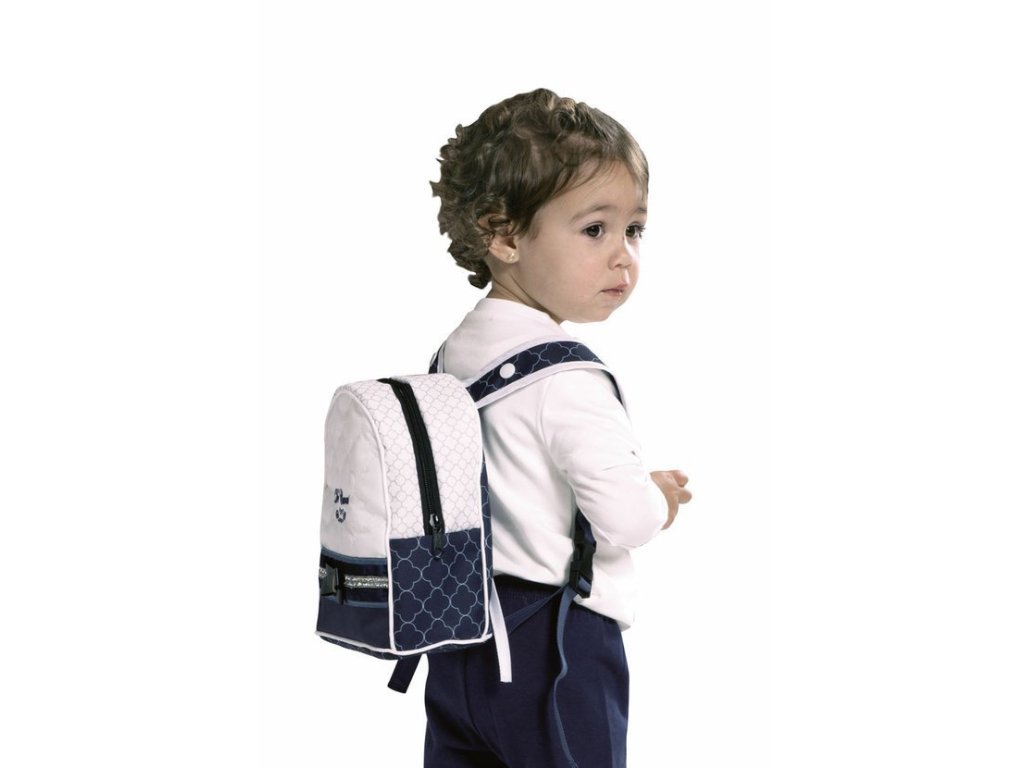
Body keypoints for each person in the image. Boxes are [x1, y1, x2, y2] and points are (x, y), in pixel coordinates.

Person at [424, 87, 692, 768]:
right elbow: (626, 519)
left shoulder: (455, 352)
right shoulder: (568, 377)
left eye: (635, 230)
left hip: (458, 636)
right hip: (555, 649)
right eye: (595, 229)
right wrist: (657, 498)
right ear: (505, 235)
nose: (623, 256)